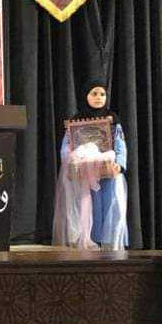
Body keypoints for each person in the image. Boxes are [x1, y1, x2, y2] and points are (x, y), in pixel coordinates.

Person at [52, 78, 128, 250]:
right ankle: (90, 241)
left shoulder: (113, 119)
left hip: (107, 172)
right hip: (84, 174)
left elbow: (120, 144)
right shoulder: (76, 120)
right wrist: (71, 162)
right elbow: (67, 146)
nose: (99, 97)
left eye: (102, 94)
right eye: (94, 94)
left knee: (109, 204)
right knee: (88, 206)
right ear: (85, 96)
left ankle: (108, 243)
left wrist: (120, 164)